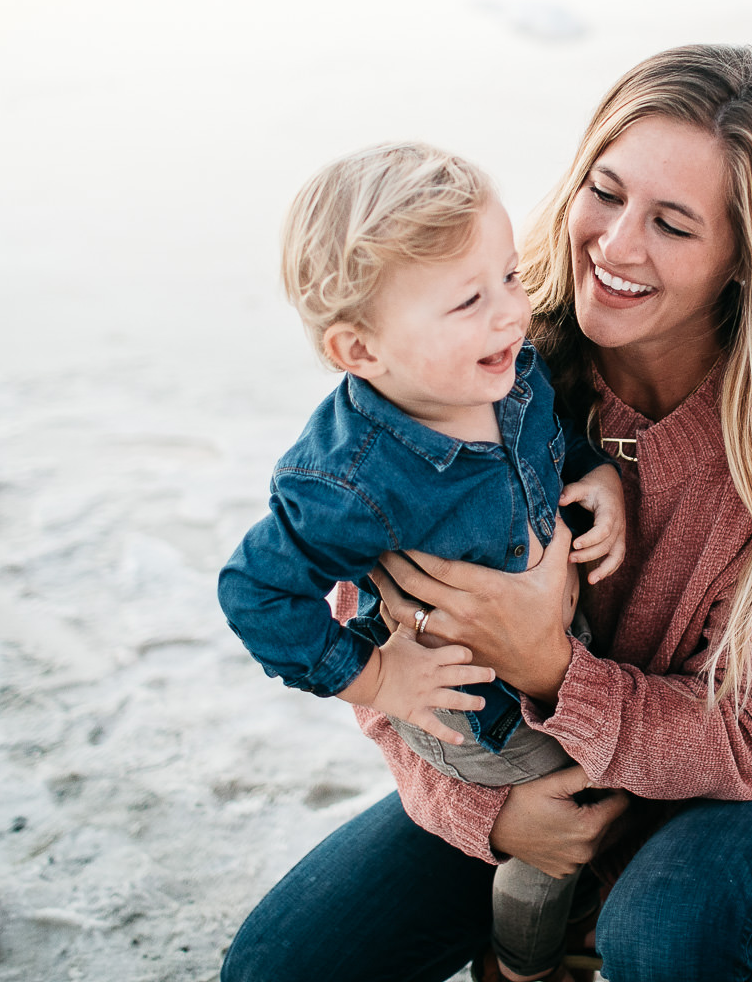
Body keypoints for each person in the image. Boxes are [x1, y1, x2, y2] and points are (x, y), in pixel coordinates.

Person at [220, 44, 752, 982]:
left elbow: (743, 738)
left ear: (746, 259)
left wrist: (547, 665)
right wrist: (492, 818)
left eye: (672, 224)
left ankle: (603, 915)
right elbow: (384, 652)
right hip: (532, 766)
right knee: (276, 970)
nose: (616, 245)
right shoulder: (490, 359)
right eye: (606, 191)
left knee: (662, 936)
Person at [216, 142, 628, 981]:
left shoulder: (508, 374)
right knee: (571, 816)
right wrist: (374, 678)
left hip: (555, 657)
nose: (510, 314)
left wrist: (599, 476)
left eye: (509, 277)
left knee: (624, 768)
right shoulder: (350, 481)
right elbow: (255, 593)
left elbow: (548, 447)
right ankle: (527, 963)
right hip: (478, 713)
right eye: (469, 300)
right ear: (361, 351)